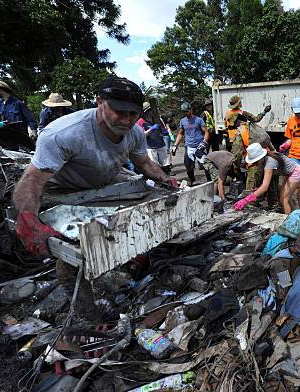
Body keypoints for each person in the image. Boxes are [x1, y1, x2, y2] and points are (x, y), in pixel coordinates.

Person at [11, 76, 177, 322]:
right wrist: (27, 218)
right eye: (119, 112)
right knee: (76, 254)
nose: (127, 120)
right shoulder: (64, 134)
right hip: (61, 193)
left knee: (140, 218)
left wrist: (166, 181)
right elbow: (32, 181)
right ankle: (87, 317)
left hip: (105, 187)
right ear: (99, 102)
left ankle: (123, 274)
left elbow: (144, 163)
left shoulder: (135, 132)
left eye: (133, 114)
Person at [233, 143, 300, 214]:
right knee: (284, 197)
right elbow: (265, 183)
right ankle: (293, 213)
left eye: (256, 162)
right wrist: (259, 189)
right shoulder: (267, 157)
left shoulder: (270, 162)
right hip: (289, 172)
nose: (255, 164)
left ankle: (289, 221)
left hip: (295, 172)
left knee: (284, 199)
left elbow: (265, 187)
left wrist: (246, 200)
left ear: (260, 158)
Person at [225, 95, 271, 173]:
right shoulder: (242, 113)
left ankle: (236, 176)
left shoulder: (227, 114)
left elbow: (226, 127)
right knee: (245, 161)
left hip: (231, 141)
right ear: (238, 103)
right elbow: (256, 119)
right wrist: (264, 111)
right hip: (242, 140)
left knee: (234, 161)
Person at [172, 102, 210, 186]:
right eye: (183, 112)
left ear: (191, 110)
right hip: (189, 147)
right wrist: (175, 145)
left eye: (186, 111)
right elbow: (180, 134)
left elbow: (206, 132)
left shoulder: (198, 120)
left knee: (206, 166)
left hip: (199, 146)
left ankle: (210, 182)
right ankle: (193, 181)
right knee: (188, 167)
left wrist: (204, 142)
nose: (185, 113)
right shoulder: (182, 121)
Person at [0, 79, 37, 144]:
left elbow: (30, 119)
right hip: (5, 140)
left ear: (0, 89)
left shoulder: (18, 103)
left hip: (20, 139)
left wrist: (34, 133)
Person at [138, 102, 171, 174]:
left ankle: (167, 180)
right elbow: (141, 136)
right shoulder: (141, 121)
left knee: (166, 166)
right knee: (155, 167)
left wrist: (163, 131)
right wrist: (151, 129)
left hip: (161, 145)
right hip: (150, 147)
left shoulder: (157, 119)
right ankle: (158, 182)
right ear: (146, 111)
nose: (153, 111)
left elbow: (163, 131)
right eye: (150, 110)